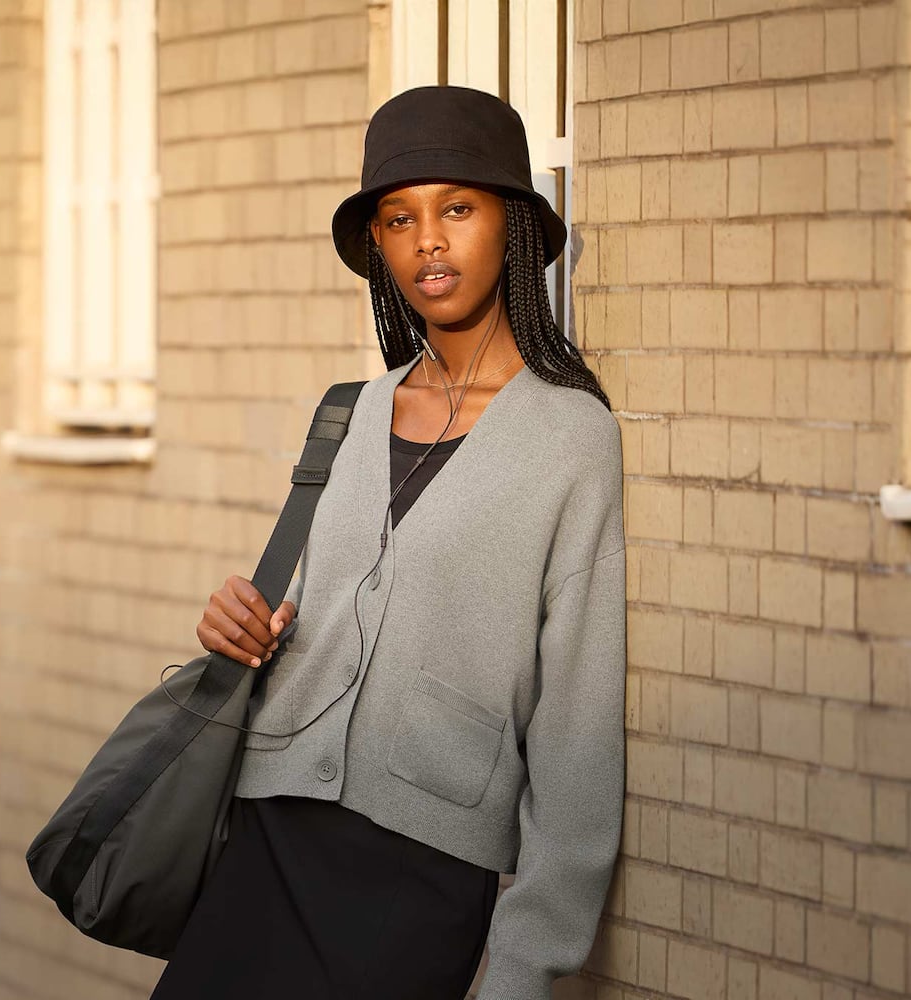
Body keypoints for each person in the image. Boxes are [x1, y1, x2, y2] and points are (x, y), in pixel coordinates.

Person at [154, 85, 627, 1000]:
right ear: (377, 244)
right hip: (266, 842)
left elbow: (577, 725)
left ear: (512, 228)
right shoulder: (352, 412)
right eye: (399, 218)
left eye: (458, 208)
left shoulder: (572, 439)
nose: (429, 242)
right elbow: (319, 623)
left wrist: (525, 969)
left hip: (419, 873)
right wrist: (237, 626)